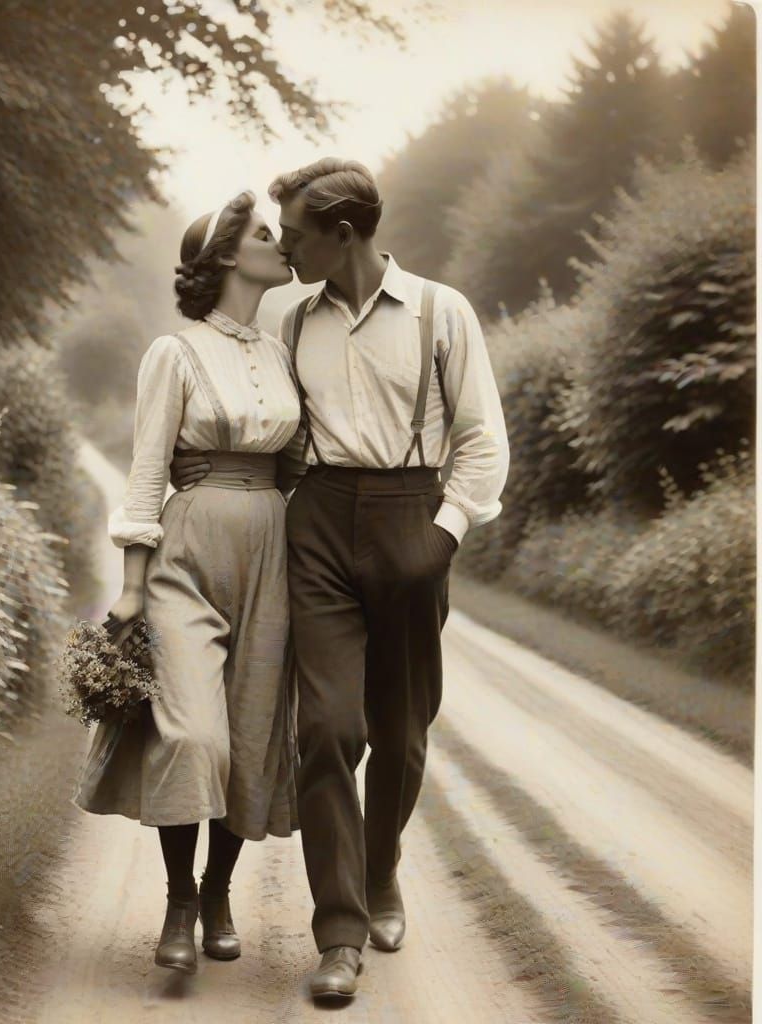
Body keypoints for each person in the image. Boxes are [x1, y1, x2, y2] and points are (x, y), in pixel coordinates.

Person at [173, 158, 510, 1002]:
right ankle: (340, 934)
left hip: (414, 517)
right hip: (318, 520)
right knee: (325, 728)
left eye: (295, 235)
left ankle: (384, 867)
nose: (285, 251)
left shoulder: (441, 312)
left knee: (400, 730)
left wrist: (445, 533)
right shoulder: (290, 324)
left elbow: (482, 437)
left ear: (345, 234)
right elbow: (268, 434)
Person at [72, 189, 302, 977]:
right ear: (230, 256)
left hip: (274, 547)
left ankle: (217, 891)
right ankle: (174, 897)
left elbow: (302, 461)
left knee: (248, 734)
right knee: (191, 732)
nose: (283, 242)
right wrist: (131, 588)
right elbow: (144, 473)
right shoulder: (176, 353)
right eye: (267, 234)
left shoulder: (282, 353)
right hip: (189, 550)